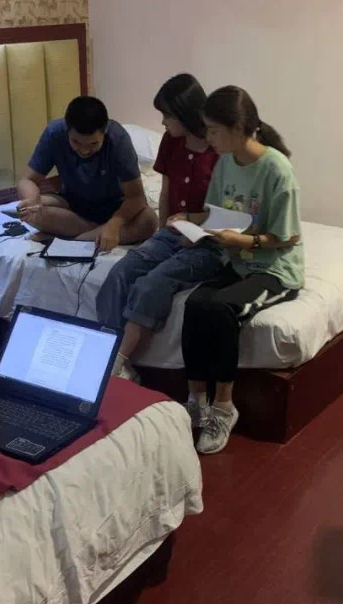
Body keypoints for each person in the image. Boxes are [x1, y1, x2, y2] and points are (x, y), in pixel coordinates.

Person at [178, 86, 305, 454]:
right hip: (237, 259)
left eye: (213, 130)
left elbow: (288, 236)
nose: (208, 137)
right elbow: (218, 215)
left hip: (274, 268)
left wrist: (243, 241)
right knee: (194, 305)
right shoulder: (225, 163)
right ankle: (196, 400)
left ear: (237, 128)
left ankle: (223, 407)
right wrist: (191, 226)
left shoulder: (277, 169)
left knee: (220, 309)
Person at [95, 74, 224, 385]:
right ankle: (105, 350)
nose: (163, 122)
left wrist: (194, 229)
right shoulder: (171, 141)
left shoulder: (220, 150)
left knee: (152, 283)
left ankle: (118, 363)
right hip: (172, 232)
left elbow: (226, 213)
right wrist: (162, 235)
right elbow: (166, 192)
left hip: (210, 241)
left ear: (185, 113)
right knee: (120, 273)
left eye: (167, 115)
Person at [15, 96, 157, 251]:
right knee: (31, 213)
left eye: (93, 143)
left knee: (149, 221)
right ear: (67, 129)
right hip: (73, 206)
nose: (84, 150)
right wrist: (32, 200)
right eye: (76, 142)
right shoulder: (54, 133)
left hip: (115, 208)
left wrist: (114, 224)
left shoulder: (118, 139)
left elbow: (136, 197)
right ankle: (95, 233)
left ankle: (74, 240)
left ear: (104, 132)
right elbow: (27, 180)